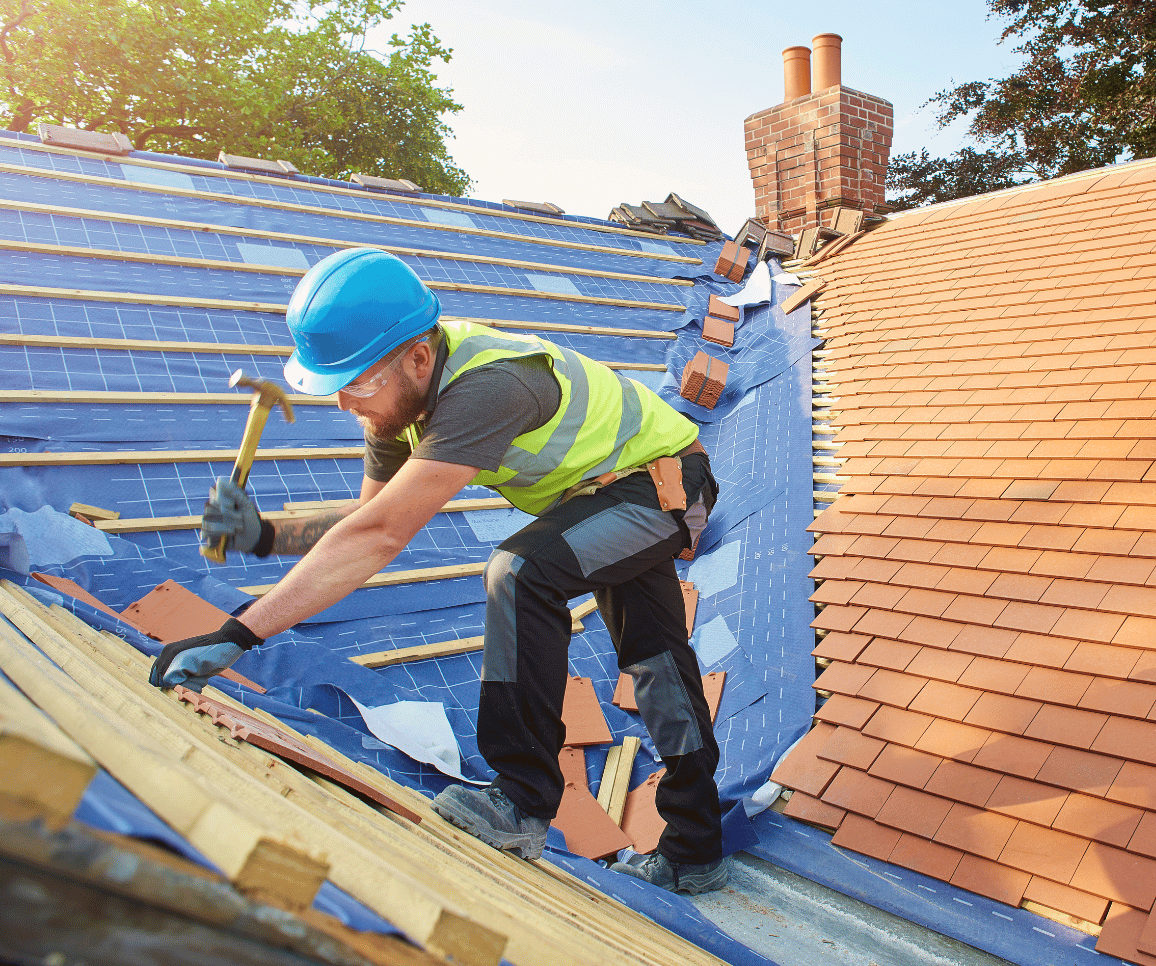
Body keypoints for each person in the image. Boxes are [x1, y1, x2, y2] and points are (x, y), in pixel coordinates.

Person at [148, 246, 727, 894]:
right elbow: (367, 521)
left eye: (358, 383)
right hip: (613, 492)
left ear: (418, 358)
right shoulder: (395, 402)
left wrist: (238, 634)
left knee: (521, 572)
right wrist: (264, 536)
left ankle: (522, 802)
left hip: (667, 484)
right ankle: (695, 849)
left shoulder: (489, 387)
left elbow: (379, 537)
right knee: (657, 663)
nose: (345, 403)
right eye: (335, 385)